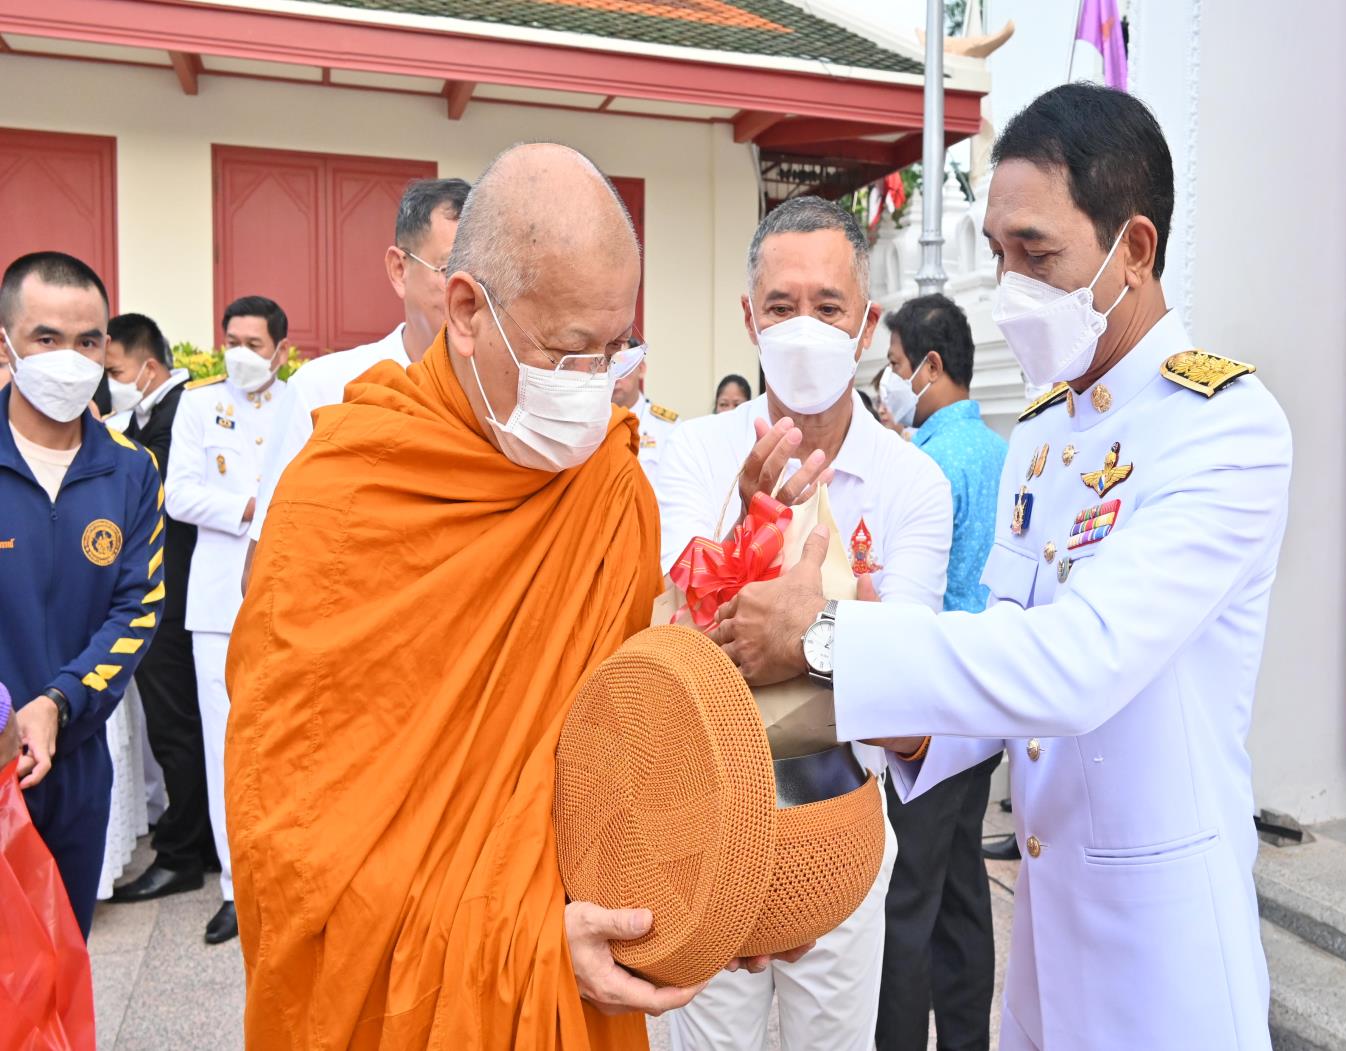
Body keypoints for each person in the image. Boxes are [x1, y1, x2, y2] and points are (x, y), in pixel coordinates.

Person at [713, 84, 1293, 1050]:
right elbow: (1002, 659)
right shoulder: (1044, 432)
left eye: (1037, 253)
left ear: (1134, 249)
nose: (1010, 281)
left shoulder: (1224, 429)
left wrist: (829, 637)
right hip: (1046, 946)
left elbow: (1079, 661)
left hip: (1165, 956)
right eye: (997, 252)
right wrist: (897, 720)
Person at [225, 143, 725, 1049]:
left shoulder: (614, 491)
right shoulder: (339, 499)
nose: (596, 387)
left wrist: (708, 892)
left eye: (617, 350)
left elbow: (617, 752)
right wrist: (522, 941)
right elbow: (289, 843)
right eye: (569, 352)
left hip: (575, 999)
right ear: (465, 311)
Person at [657, 196, 952, 1051]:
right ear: (749, 317)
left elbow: (907, 691)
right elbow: (682, 649)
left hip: (840, 826)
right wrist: (751, 534)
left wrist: (803, 630)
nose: (804, 330)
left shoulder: (912, 484)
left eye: (828, 308)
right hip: (705, 822)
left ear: (866, 325)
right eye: (781, 307)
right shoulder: (694, 454)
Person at [0, 251, 166, 937]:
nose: (69, 359)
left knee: (60, 962)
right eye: (46, 338)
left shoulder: (131, 471)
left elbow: (138, 609)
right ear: (6, 345)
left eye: (88, 342)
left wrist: (58, 703)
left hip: (74, 759)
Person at [873, 294, 1006, 1051]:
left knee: (906, 905)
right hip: (985, 707)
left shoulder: (924, 465)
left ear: (930, 365)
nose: (891, 381)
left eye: (895, 365)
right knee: (961, 893)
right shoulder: (1001, 451)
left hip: (930, 713)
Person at [244, 177, 470, 582]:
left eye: (486, 276)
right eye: (449, 269)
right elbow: (268, 569)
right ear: (399, 270)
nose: (470, 295)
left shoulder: (506, 399)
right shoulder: (325, 388)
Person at [165, 294, 290, 945]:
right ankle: (237, 890)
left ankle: (284, 877)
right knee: (224, 749)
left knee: (285, 743)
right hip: (217, 602)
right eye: (232, 342)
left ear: (282, 352)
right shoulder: (197, 404)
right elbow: (181, 494)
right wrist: (252, 507)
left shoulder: (300, 404)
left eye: (254, 344)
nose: (240, 354)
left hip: (287, 598)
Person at [104, 313, 220, 904]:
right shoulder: (147, 415)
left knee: (178, 728)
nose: (107, 383)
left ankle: (182, 855)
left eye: (113, 370)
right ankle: (199, 840)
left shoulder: (185, 411)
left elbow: (154, 483)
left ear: (148, 367)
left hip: (173, 595)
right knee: (175, 728)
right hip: (160, 591)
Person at [610, 355, 679, 484]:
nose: (615, 377)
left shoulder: (667, 426)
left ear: (641, 369)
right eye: (608, 368)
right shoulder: (591, 423)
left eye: (623, 368)